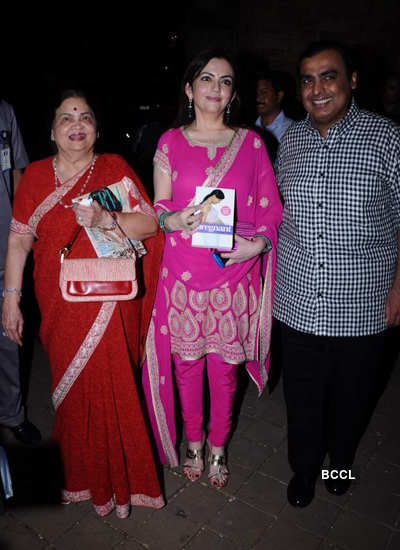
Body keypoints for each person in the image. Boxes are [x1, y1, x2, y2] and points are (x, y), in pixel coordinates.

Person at [2, 90, 164, 518]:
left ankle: (122, 486)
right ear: (52, 130)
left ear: (97, 128)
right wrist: (10, 300)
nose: (77, 124)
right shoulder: (34, 176)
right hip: (59, 303)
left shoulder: (113, 169)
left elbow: (150, 224)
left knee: (114, 388)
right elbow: (18, 241)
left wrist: (106, 218)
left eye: (86, 116)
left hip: (111, 299)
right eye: (66, 117)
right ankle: (83, 479)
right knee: (73, 394)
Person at [142, 50, 282, 488]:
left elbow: (270, 208)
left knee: (224, 367)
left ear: (233, 93)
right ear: (189, 88)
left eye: (224, 81)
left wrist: (256, 245)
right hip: (183, 272)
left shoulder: (252, 144)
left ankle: (218, 448)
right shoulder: (169, 142)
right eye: (206, 78)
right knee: (186, 363)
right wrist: (171, 219)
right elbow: (160, 204)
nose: (215, 88)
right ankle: (193, 443)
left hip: (233, 272)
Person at [273, 41, 400, 507]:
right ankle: (304, 471)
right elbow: (274, 214)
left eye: (329, 76)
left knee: (351, 402)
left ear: (352, 81)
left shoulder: (387, 138)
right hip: (299, 301)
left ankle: (339, 463)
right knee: (302, 401)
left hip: (363, 306)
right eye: (307, 79)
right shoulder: (290, 141)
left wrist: (399, 290)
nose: (317, 89)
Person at [0, 98, 41, 446]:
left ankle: (12, 414)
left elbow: (17, 171)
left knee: (8, 336)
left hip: (3, 242)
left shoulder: (5, 111)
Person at [255, 71, 294, 143]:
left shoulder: (292, 131)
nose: (258, 98)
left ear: (279, 96)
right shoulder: (249, 130)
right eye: (256, 93)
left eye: (264, 92)